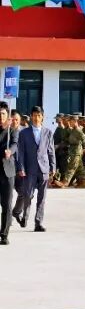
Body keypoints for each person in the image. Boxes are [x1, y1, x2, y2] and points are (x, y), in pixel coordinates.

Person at [13, 105, 55, 233]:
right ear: (31, 117)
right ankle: (25, 217)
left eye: (39, 115)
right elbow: (20, 152)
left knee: (42, 198)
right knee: (28, 195)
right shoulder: (24, 133)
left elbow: (51, 151)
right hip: (29, 169)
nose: (36, 118)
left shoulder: (48, 132)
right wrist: (21, 167)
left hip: (43, 169)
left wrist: (53, 167)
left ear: (42, 117)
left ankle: (38, 222)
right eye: (34, 115)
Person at [1, 102, 18, 245]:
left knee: (6, 205)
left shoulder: (12, 131)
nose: (0, 116)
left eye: (3, 114)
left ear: (7, 116)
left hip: (8, 172)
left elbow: (15, 144)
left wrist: (9, 151)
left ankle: (4, 234)